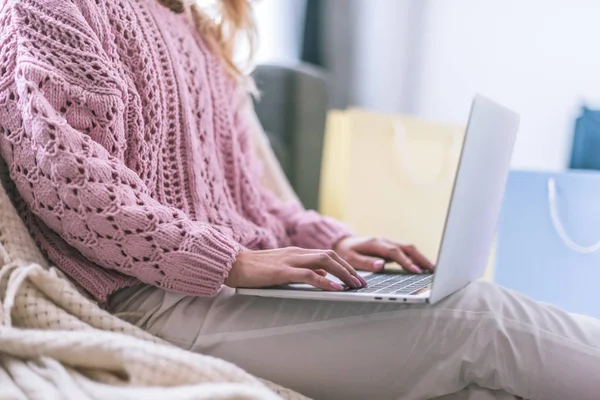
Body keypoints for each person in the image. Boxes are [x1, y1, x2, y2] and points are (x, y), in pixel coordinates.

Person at [0, 0, 598, 399]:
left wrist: (328, 240)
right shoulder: (49, 9)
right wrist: (230, 262)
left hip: (223, 287)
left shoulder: (194, 33)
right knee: (482, 321)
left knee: (483, 371)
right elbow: (72, 181)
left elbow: (250, 201)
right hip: (153, 299)